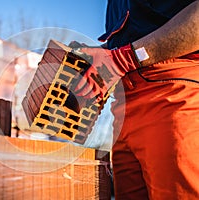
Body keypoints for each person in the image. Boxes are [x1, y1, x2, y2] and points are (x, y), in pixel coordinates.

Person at [74, 0, 199, 199]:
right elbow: (141, 33)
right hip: (124, 105)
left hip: (174, 94)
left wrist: (121, 59)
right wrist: (101, 58)